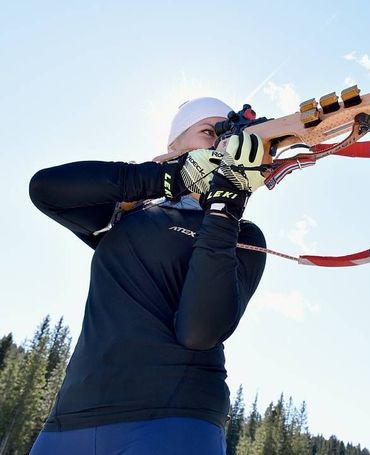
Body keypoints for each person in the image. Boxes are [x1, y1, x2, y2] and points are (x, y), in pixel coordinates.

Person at [28, 97, 267, 454]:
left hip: (175, 421)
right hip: (69, 422)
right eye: (208, 132)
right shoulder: (129, 212)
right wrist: (166, 178)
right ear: (174, 146)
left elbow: (199, 331)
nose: (219, 145)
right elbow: (45, 190)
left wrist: (224, 208)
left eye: (228, 138)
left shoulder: (243, 234)